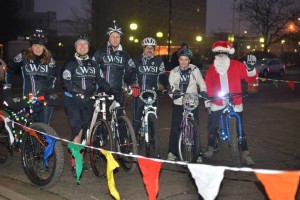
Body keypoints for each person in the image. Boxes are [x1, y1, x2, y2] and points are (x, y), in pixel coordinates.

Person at [61, 33, 113, 176]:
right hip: (73, 100)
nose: (82, 46)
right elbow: (65, 82)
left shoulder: (93, 64)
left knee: (84, 130)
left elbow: (100, 81)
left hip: (89, 101)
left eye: (85, 44)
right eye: (79, 44)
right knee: (77, 128)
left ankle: (80, 159)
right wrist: (79, 91)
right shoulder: (70, 63)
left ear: (89, 47)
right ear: (75, 47)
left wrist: (110, 89)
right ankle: (75, 163)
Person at [204, 40, 257, 166]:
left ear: (229, 53)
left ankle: (245, 154)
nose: (221, 55)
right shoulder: (212, 67)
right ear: (215, 55)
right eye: (218, 53)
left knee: (241, 129)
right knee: (213, 126)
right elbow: (208, 84)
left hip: (235, 100)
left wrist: (250, 68)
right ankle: (211, 148)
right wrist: (208, 99)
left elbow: (250, 78)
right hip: (217, 101)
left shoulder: (237, 65)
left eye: (223, 53)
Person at [3, 28, 58, 125]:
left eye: (40, 45)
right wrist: (7, 87)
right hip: (28, 100)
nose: (37, 48)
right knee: (30, 129)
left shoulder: (50, 60)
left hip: (45, 99)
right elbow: (9, 68)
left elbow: (53, 78)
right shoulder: (24, 57)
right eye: (35, 45)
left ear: (44, 47)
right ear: (31, 46)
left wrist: (48, 92)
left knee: (45, 128)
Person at [167, 47, 207, 163]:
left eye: (186, 59)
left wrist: (203, 91)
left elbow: (201, 83)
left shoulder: (195, 70)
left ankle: (198, 152)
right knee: (175, 127)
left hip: (192, 101)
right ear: (178, 60)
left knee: (195, 127)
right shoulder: (174, 71)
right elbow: (170, 87)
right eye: (181, 59)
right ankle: (172, 151)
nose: (183, 62)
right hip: (178, 102)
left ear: (189, 60)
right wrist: (173, 95)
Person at [132, 37, 170, 158]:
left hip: (152, 94)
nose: (149, 50)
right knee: (137, 119)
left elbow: (162, 76)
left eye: (151, 48)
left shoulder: (159, 61)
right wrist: (133, 84)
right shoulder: (135, 60)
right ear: (143, 49)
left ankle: (154, 144)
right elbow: (130, 74)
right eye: (147, 48)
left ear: (154, 49)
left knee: (153, 119)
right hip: (139, 94)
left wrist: (167, 86)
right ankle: (134, 144)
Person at [93, 20, 138, 107]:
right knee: (102, 118)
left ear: (120, 38)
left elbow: (132, 71)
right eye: (112, 37)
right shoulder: (100, 52)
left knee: (120, 117)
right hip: (102, 91)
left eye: (117, 37)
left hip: (118, 92)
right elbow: (92, 70)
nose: (115, 39)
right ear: (108, 38)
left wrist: (134, 83)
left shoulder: (125, 55)